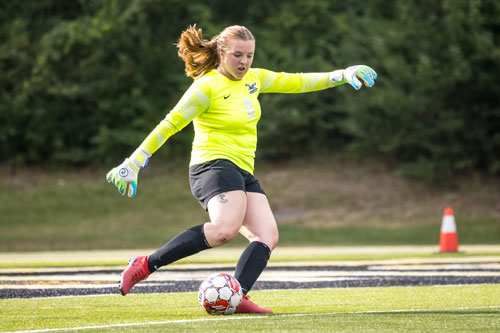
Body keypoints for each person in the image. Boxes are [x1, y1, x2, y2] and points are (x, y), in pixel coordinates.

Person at [106, 24, 377, 314]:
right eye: (237, 55)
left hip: (242, 170)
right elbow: (169, 124)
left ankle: (237, 295)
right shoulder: (206, 87)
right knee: (224, 229)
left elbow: (298, 81)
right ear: (221, 53)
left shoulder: (254, 79)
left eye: (249, 55)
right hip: (212, 165)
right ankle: (145, 265)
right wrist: (133, 163)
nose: (244, 62)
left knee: (267, 236)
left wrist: (343, 75)